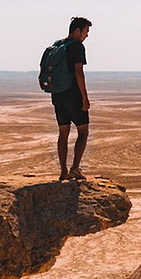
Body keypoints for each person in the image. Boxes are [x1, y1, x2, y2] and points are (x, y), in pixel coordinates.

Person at [53, 16, 91, 180]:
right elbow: (78, 72)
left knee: (63, 132)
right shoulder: (77, 46)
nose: (87, 36)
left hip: (57, 95)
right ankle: (75, 168)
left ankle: (63, 171)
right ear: (77, 30)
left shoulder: (57, 45)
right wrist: (84, 97)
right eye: (86, 31)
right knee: (83, 130)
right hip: (73, 95)